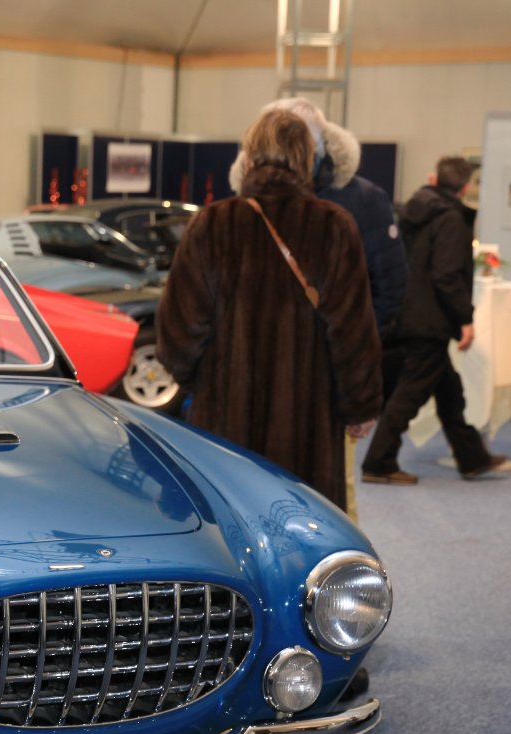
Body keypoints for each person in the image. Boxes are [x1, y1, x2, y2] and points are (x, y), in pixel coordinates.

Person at [157, 108, 382, 513]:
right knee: (307, 525)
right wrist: (360, 405)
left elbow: (178, 332)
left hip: (224, 427)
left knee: (230, 527)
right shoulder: (334, 227)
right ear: (308, 160)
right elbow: (352, 333)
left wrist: (205, 384)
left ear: (248, 157)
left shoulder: (212, 224)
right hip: (308, 427)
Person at [230, 98, 406, 524]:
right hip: (286, 388)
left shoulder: (359, 202)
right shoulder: (239, 214)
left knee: (307, 507)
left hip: (296, 388)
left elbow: (383, 296)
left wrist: (355, 390)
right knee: (313, 511)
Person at [361, 156, 511, 484]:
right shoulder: (451, 219)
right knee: (410, 395)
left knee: (449, 391)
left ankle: (472, 457)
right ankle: (378, 462)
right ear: (465, 187)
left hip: (405, 311)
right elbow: (447, 276)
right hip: (429, 320)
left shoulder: (410, 213)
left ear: (434, 179)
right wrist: (465, 319)